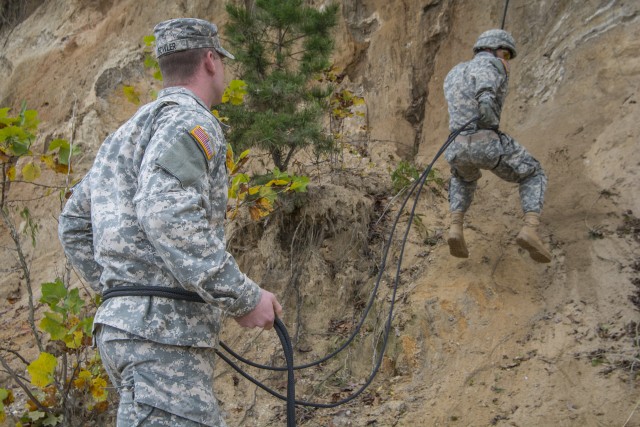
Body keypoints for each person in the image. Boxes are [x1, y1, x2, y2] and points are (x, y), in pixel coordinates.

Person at [58, 18, 283, 426]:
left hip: (129, 333)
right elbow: (163, 210)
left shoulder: (124, 136)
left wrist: (123, 293)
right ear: (211, 61)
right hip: (162, 337)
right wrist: (242, 297)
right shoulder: (190, 123)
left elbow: (74, 224)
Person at [443, 28, 552, 263]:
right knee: (533, 172)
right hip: (484, 141)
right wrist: (490, 115)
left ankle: (455, 227)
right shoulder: (491, 65)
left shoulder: (453, 72)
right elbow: (485, 98)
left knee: (462, 178)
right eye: (508, 56)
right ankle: (530, 229)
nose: (508, 61)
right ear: (499, 50)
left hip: (455, 145)